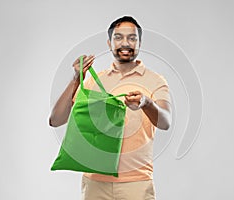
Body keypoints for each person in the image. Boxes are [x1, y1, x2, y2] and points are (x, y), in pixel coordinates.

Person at [49, 16, 172, 200]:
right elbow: (56, 120)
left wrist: (146, 103)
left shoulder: (155, 80)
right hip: (95, 183)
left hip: (136, 183)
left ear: (140, 43)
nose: (125, 43)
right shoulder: (94, 80)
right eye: (118, 37)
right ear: (109, 43)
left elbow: (165, 122)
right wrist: (76, 78)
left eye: (132, 38)